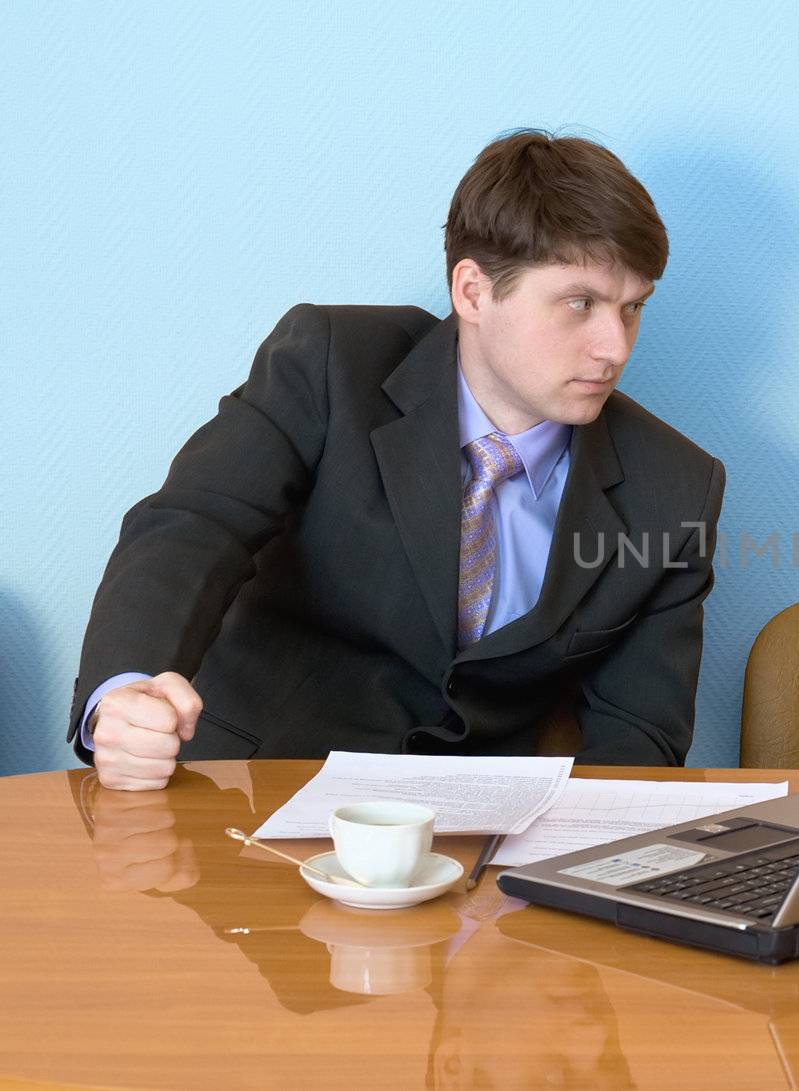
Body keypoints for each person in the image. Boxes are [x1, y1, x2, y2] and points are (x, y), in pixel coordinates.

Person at [71, 130, 725, 790]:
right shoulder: (331, 364)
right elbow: (195, 525)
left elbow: (639, 731)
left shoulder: (674, 488)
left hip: (475, 840)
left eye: (633, 307)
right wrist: (127, 691)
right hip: (252, 789)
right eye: (580, 303)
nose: (615, 346)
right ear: (473, 291)